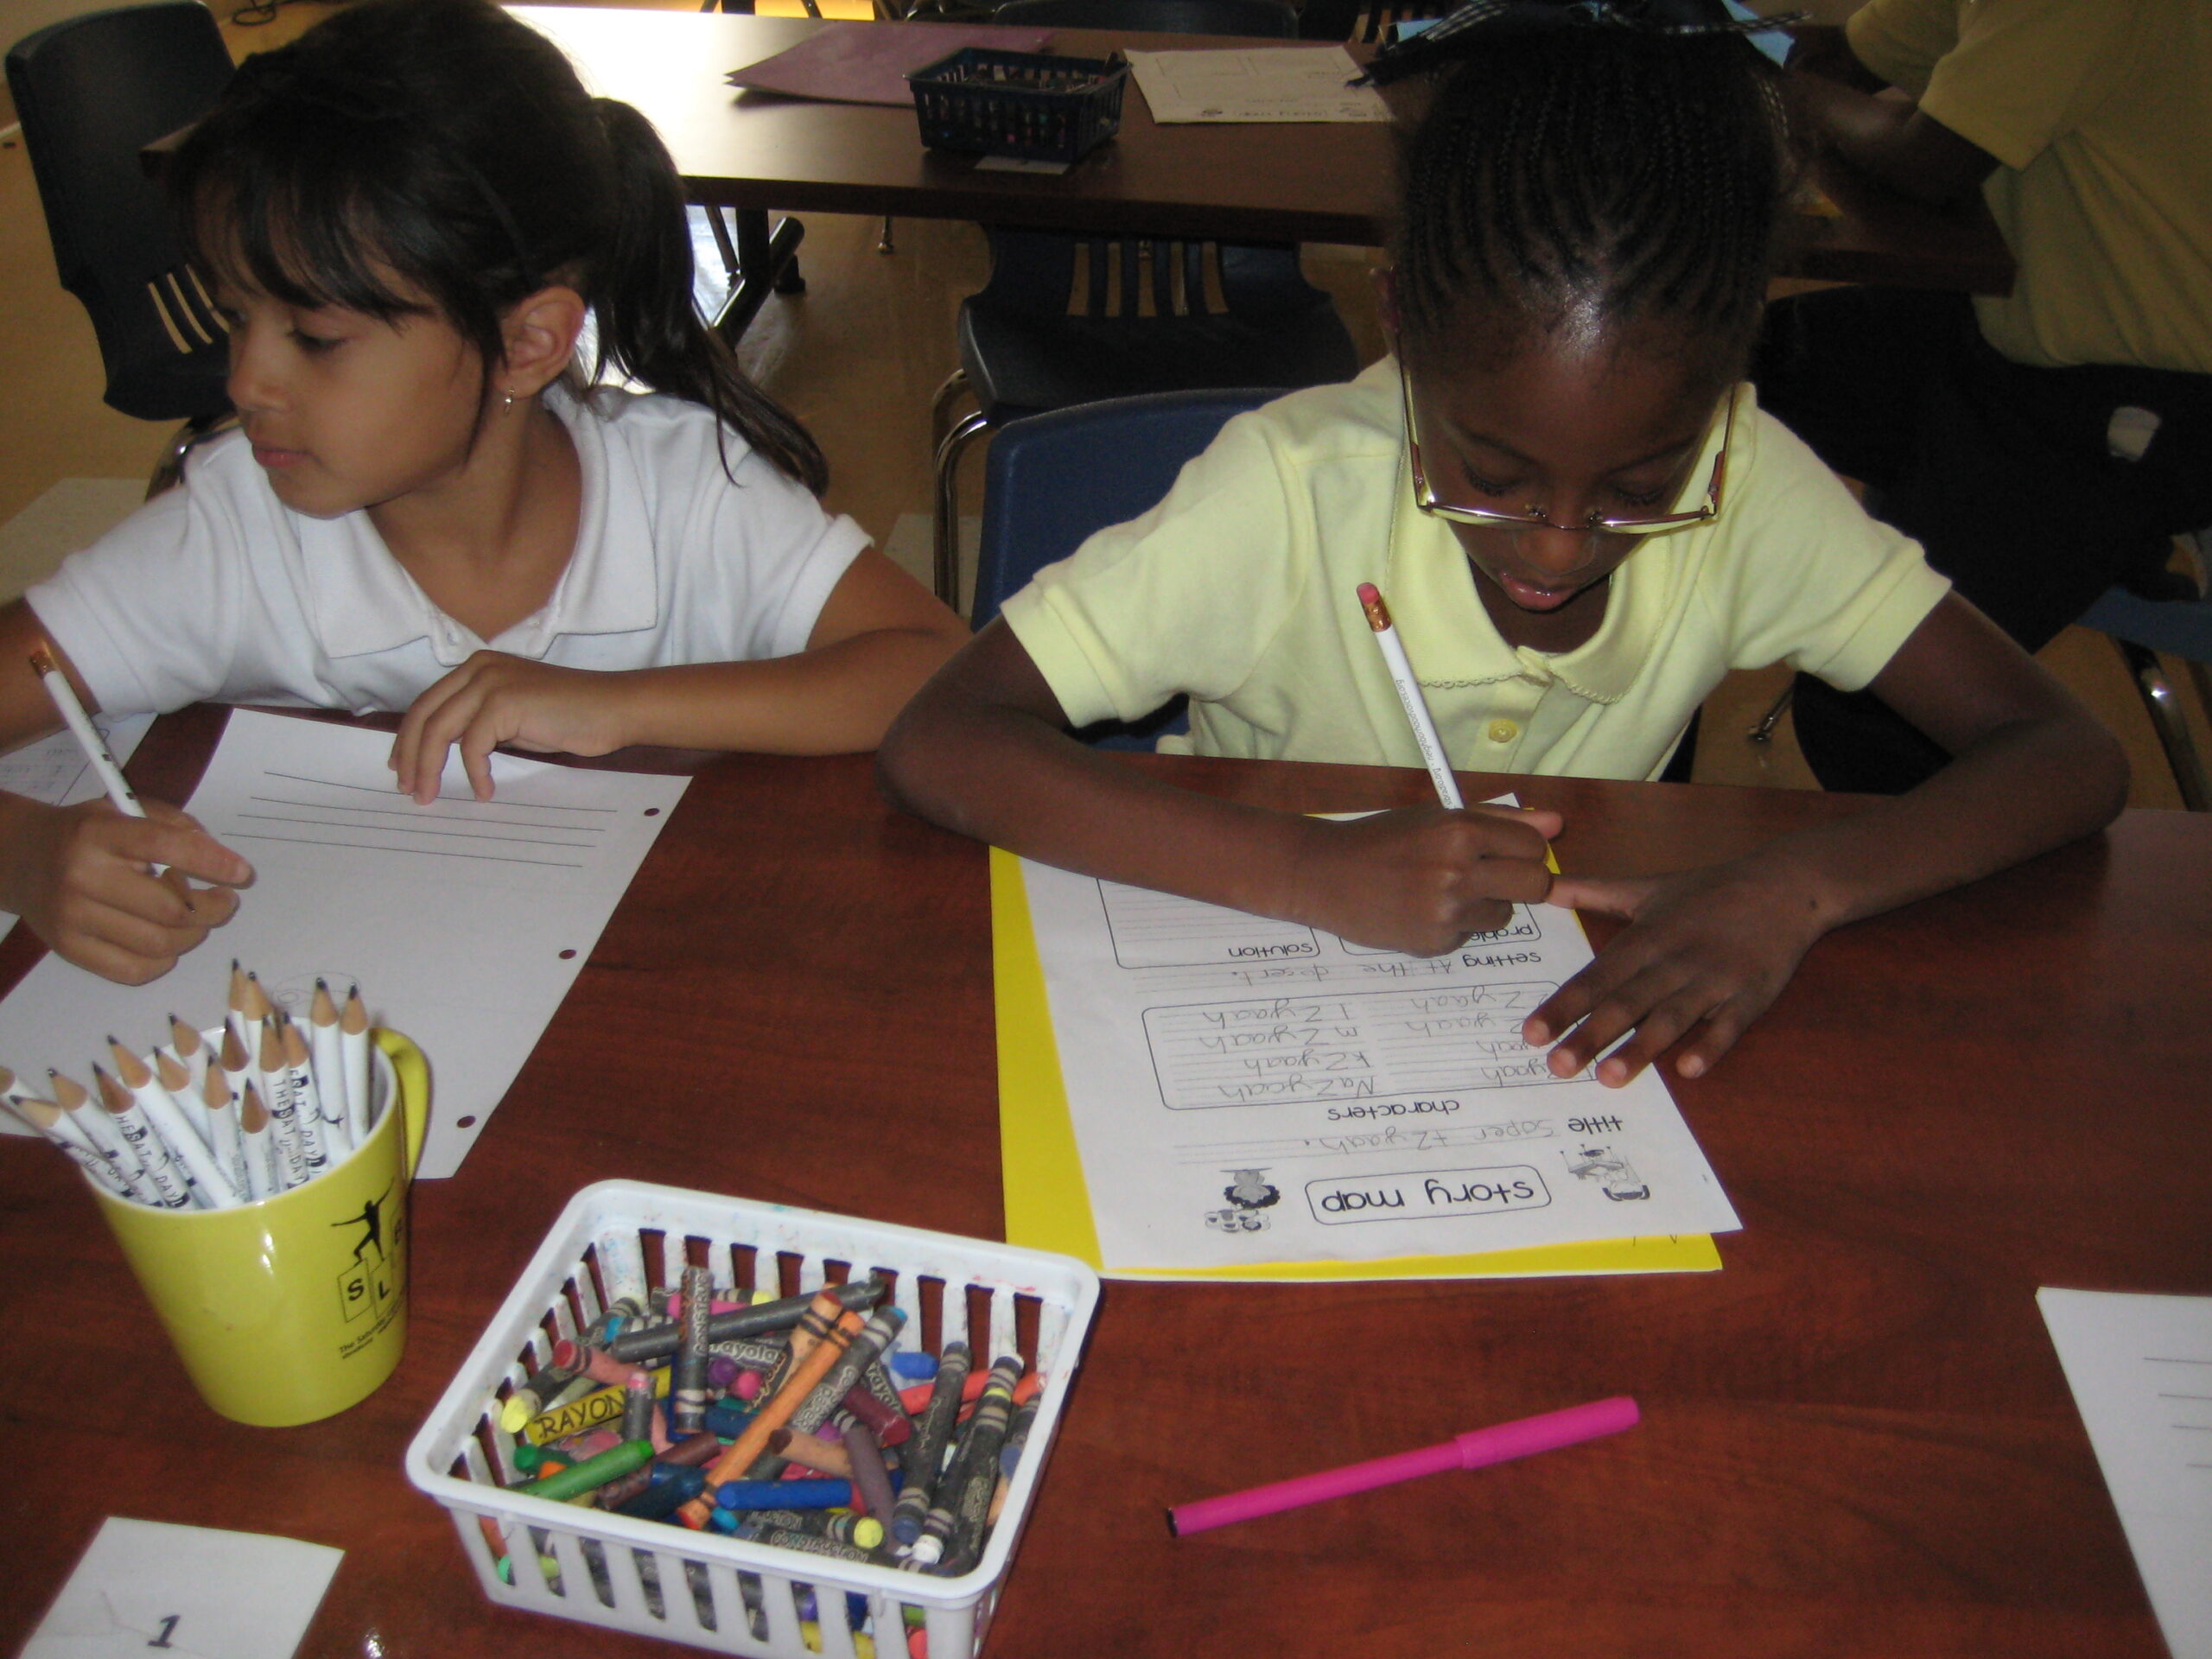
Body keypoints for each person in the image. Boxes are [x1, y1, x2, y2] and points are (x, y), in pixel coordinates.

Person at [878, 0, 2126, 1090]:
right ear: (1402, 326)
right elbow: (942, 737)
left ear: (1728, 385)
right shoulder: (1290, 497)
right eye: (1495, 474)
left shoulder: (1751, 486)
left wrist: (1790, 890)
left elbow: (2062, 752)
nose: (1562, 541)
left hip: (1509, 1045)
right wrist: (1308, 868)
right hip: (1238, 982)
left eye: (1644, 484)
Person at [0, 0, 966, 987]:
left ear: (527, 342)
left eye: (315, 338)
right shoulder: (229, 535)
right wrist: (23, 851)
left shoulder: (686, 494)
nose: (245, 382)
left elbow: (933, 668)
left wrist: (615, 705)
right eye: (234, 318)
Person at [1761, 0, 2212, 794]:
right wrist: (1818, 71)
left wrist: (1771, 89)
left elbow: (1925, 159)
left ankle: (1942, 883)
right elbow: (1854, 55)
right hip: (2013, 340)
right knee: (1718, 368)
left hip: (2139, 397)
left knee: (1878, 708)